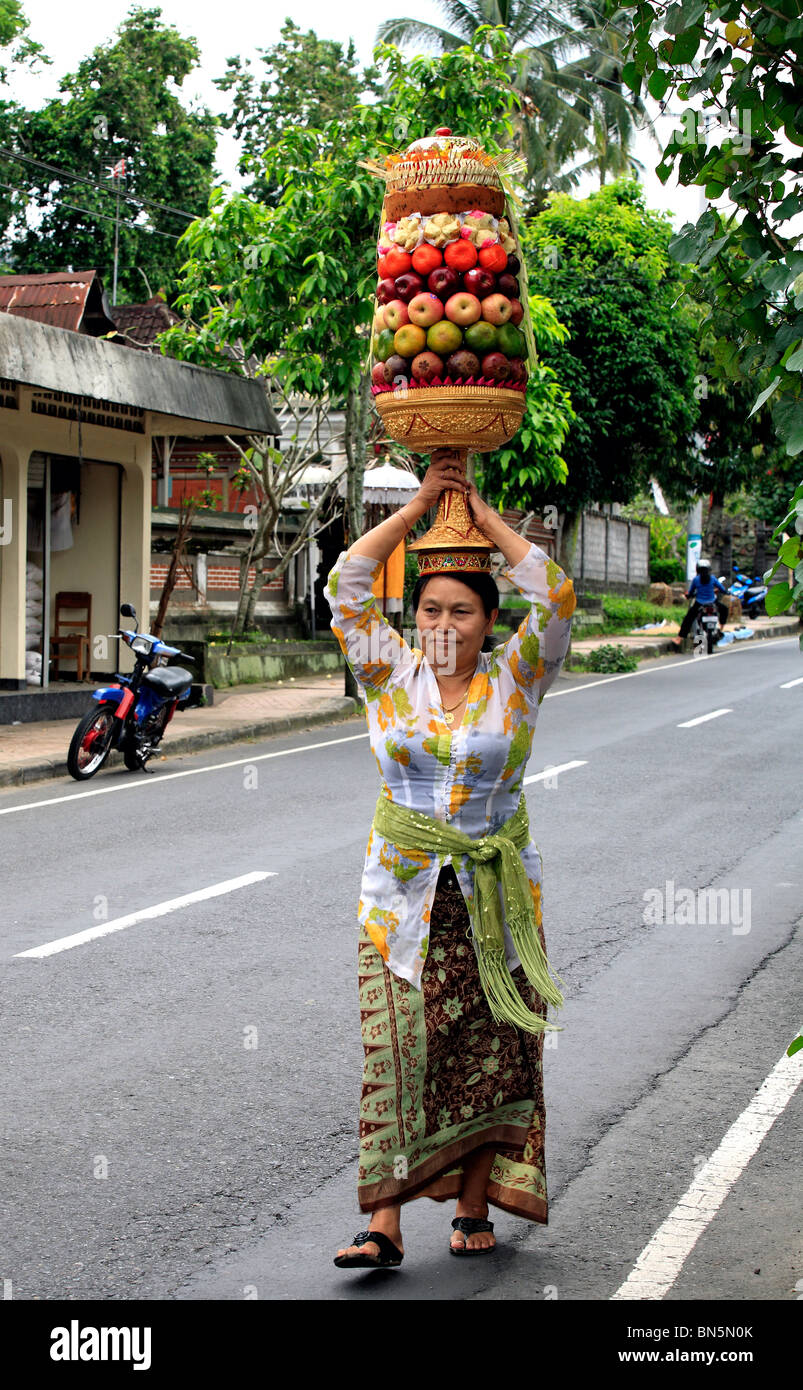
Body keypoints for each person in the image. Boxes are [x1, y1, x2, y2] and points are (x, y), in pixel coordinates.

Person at [325, 448, 576, 1268]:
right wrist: (418, 507)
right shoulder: (387, 673)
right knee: (397, 1047)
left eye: (460, 612)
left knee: (489, 1046)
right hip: (398, 896)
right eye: (429, 609)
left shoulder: (519, 678)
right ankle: (383, 1220)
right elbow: (345, 588)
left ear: (486, 621)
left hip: (493, 894)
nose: (441, 627)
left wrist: (480, 511)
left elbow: (556, 593)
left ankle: (472, 1207)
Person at [670, 559, 729, 651]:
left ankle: (679, 639)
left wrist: (688, 595)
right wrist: (726, 592)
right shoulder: (713, 578)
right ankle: (721, 628)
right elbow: (722, 589)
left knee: (688, 618)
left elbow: (690, 593)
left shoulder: (696, 580)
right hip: (712, 602)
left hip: (699, 603)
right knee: (724, 609)